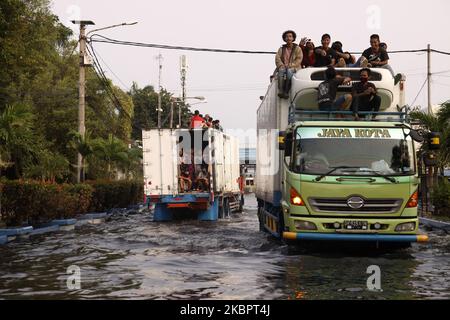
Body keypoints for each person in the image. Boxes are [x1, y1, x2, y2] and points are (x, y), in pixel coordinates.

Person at [275, 30, 303, 99]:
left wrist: (290, 65)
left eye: (290, 36)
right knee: (281, 71)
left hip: (295, 68)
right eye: (287, 37)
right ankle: (281, 91)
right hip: (284, 67)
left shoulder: (297, 48)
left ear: (293, 38)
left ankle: (286, 91)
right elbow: (277, 59)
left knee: (289, 71)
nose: (288, 38)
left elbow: (299, 59)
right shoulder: (281, 49)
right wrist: (281, 65)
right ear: (284, 39)